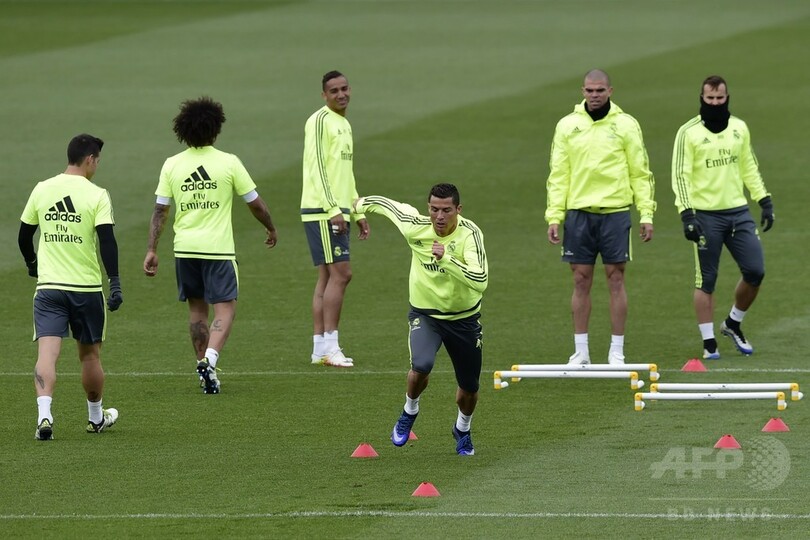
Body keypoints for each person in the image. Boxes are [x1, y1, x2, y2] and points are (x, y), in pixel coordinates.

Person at [143, 96, 278, 394]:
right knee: (225, 310)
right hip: (218, 250)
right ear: (216, 129)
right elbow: (255, 204)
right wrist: (270, 227)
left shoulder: (172, 164)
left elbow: (160, 210)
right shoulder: (229, 162)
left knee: (197, 313)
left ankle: (203, 371)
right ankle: (210, 360)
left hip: (185, 250)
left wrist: (152, 249)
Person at [353, 183, 488, 456]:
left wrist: (447, 259)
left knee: (469, 388)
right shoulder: (414, 226)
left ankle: (462, 429)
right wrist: (357, 208)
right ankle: (409, 410)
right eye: (434, 209)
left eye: (446, 210)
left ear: (458, 209)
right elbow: (385, 205)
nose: (439, 216)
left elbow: (480, 280)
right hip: (426, 315)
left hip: (464, 319)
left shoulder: (470, 234)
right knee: (421, 365)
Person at [545, 69, 656, 366]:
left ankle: (616, 351)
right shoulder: (567, 126)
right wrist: (554, 216)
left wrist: (646, 213)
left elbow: (640, 172)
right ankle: (581, 351)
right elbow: (559, 174)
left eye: (600, 90)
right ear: (582, 91)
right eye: (590, 90)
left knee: (616, 278)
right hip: (579, 213)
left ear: (610, 91)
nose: (595, 95)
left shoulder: (626, 125)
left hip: (615, 213)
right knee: (580, 279)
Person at [18, 133, 122, 440]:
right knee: (89, 356)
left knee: (47, 354)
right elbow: (107, 241)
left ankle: (44, 415)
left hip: (49, 288)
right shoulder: (97, 195)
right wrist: (115, 282)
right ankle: (96, 418)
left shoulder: (42, 188)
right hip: (85, 289)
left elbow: (24, 236)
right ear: (89, 159)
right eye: (97, 161)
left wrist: (32, 264)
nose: (97, 166)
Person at [672, 75, 773, 360]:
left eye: (719, 98)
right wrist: (687, 214)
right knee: (707, 279)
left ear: (727, 97)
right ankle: (709, 343)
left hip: (738, 212)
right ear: (701, 98)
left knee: (755, 271)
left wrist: (764, 200)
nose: (715, 103)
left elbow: (748, 166)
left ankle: (732, 323)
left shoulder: (739, 128)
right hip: (705, 216)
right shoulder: (688, 133)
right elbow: (680, 176)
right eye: (710, 98)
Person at [301, 70, 370, 368]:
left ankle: (320, 349)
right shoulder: (319, 121)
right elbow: (317, 167)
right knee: (342, 274)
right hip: (323, 210)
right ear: (324, 95)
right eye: (334, 91)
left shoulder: (344, 123)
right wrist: (333, 209)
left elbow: (345, 173)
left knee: (328, 276)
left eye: (344, 89)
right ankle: (331, 346)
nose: (341, 94)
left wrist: (357, 209)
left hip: (338, 210)